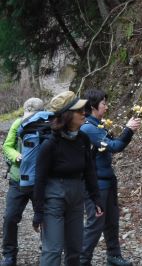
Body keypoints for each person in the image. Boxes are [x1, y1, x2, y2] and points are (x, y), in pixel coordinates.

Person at [32, 91, 103, 266]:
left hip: (76, 196)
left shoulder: (83, 139)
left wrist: (96, 198)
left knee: (75, 248)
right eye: (79, 111)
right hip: (53, 197)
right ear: (67, 115)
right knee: (53, 250)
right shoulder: (50, 144)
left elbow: (89, 171)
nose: (84, 113)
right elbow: (39, 180)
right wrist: (38, 212)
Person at [80, 89, 141, 266]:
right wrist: (128, 130)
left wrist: (127, 130)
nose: (106, 107)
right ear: (93, 106)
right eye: (103, 104)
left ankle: (113, 256)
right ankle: (83, 260)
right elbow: (115, 146)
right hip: (96, 184)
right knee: (95, 224)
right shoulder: (88, 128)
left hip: (107, 180)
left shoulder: (97, 125)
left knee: (112, 221)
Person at [1, 98, 44, 266]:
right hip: (17, 179)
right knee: (10, 217)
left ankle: (46, 250)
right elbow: (7, 146)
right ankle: (9, 255)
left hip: (39, 181)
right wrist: (16, 156)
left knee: (44, 217)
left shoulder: (47, 126)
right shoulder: (17, 123)